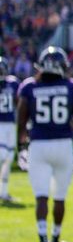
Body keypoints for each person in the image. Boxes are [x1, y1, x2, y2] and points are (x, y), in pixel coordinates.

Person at [16, 47, 73, 242]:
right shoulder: (72, 87)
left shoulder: (30, 87)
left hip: (38, 145)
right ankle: (55, 237)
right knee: (59, 197)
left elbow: (21, 121)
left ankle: (43, 240)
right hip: (64, 145)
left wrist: (21, 147)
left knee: (41, 197)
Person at [0, 56, 20, 203]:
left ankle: (4, 192)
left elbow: (19, 102)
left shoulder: (12, 83)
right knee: (2, 156)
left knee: (8, 158)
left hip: (10, 124)